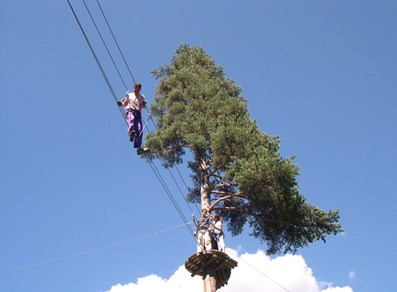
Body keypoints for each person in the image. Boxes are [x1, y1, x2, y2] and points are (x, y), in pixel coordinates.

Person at [117, 82, 149, 155]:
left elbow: (144, 106)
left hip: (138, 113)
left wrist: (143, 103)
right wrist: (120, 103)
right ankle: (131, 133)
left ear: (139, 89)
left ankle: (139, 148)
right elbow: (124, 103)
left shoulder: (142, 96)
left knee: (140, 130)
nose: (135, 89)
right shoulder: (129, 94)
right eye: (134, 87)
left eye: (137, 88)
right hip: (130, 110)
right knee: (131, 120)